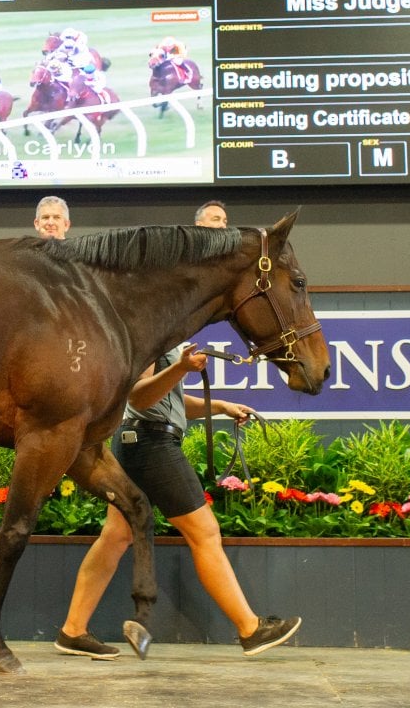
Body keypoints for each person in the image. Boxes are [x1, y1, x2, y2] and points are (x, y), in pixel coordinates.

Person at [54, 206, 301, 661]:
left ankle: (72, 630)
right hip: (149, 443)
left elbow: (166, 400)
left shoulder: (168, 332)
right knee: (205, 531)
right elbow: (139, 395)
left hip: (138, 440)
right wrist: (182, 368)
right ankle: (250, 629)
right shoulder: (152, 330)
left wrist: (221, 406)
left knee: (115, 538)